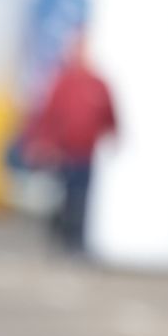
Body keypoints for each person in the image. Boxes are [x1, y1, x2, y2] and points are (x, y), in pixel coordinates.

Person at [21, 39, 117, 254]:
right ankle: (60, 238)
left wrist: (115, 135)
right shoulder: (63, 83)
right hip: (64, 154)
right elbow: (48, 115)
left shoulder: (98, 84)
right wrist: (43, 144)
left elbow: (109, 115)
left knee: (82, 200)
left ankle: (77, 241)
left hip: (87, 155)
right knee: (62, 199)